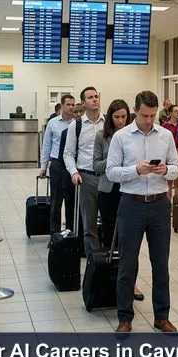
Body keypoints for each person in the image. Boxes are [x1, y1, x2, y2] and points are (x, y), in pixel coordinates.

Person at [106, 90, 178, 334]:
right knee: (127, 264)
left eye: (153, 115)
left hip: (159, 204)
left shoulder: (166, 135)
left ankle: (162, 317)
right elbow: (111, 172)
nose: (149, 120)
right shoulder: (121, 137)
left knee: (161, 264)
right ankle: (125, 318)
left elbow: (177, 168)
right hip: (131, 203)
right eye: (145, 115)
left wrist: (165, 170)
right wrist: (136, 170)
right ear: (135, 111)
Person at [93, 99, 144, 301]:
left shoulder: (133, 136)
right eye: (116, 117)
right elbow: (96, 165)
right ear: (110, 117)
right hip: (108, 190)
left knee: (130, 240)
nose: (121, 121)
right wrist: (114, 160)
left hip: (129, 190)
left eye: (124, 117)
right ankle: (109, 279)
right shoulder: (101, 136)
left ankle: (131, 283)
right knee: (109, 236)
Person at [64, 86, 105, 255]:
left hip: (107, 177)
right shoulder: (77, 125)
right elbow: (68, 153)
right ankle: (93, 261)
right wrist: (74, 172)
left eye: (96, 96)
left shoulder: (108, 122)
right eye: (90, 97)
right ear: (83, 102)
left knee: (110, 221)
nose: (95, 99)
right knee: (89, 225)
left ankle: (109, 259)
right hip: (86, 177)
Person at [40, 94, 76, 234]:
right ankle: (54, 234)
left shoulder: (77, 123)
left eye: (73, 104)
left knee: (71, 201)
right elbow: (46, 145)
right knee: (56, 201)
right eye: (68, 104)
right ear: (61, 106)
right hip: (57, 164)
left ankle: (70, 233)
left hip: (72, 165)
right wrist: (43, 166)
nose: (71, 107)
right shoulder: (53, 123)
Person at [162, 105, 178, 197]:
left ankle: (177, 205)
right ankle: (168, 206)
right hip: (168, 156)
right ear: (170, 113)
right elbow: (162, 141)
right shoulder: (165, 126)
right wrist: (172, 151)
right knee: (169, 183)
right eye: (175, 111)